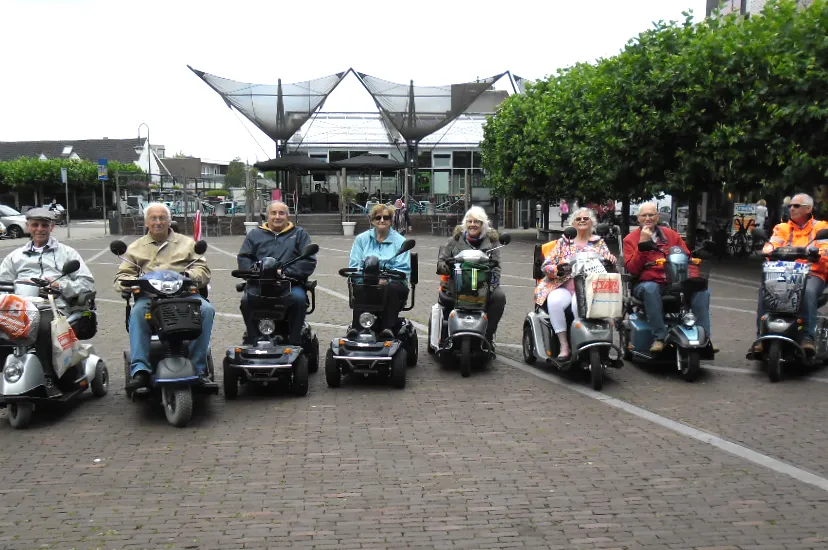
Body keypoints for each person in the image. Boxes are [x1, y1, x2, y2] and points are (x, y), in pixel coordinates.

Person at [113, 203, 214, 389]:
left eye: (162, 218)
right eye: (153, 218)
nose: (158, 222)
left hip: (184, 295)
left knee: (207, 309)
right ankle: (140, 370)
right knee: (137, 314)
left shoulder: (187, 244)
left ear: (169, 220)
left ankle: (199, 368)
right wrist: (130, 282)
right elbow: (122, 276)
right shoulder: (135, 248)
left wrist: (189, 276)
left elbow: (203, 270)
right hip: (151, 299)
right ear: (147, 222)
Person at [0, 208, 95, 395]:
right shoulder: (15, 256)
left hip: (52, 306)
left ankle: (48, 377)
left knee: (44, 327)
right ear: (28, 226)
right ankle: (7, 373)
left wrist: (61, 285)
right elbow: (2, 283)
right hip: (20, 308)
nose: (40, 229)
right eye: (35, 225)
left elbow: (87, 283)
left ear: (52, 227)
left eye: (45, 225)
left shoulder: (67, 253)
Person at [623, 202, 713, 353]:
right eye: (644, 215)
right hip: (645, 283)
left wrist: (693, 279)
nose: (648, 218)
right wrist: (643, 244)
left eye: (651, 215)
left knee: (702, 290)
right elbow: (633, 269)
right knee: (651, 289)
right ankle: (659, 338)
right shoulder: (630, 239)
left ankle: (705, 337)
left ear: (657, 217)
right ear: (638, 218)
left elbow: (688, 258)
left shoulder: (671, 235)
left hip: (674, 281)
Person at [534, 207, 616, 359]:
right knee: (554, 301)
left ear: (592, 222)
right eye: (578, 219)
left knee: (577, 304)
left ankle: (582, 343)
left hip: (589, 288)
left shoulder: (599, 242)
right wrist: (558, 269)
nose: (582, 221)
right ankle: (564, 345)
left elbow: (609, 259)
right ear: (573, 224)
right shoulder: (563, 243)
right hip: (563, 285)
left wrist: (611, 259)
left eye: (586, 218)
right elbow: (546, 266)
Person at [753, 193, 828, 354]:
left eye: (796, 206)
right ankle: (760, 336)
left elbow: (825, 249)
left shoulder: (820, 227)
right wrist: (768, 250)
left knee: (806, 292)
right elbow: (772, 244)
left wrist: (816, 253)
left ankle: (808, 338)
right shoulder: (782, 228)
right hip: (784, 273)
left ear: (808, 209)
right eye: (790, 206)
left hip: (812, 274)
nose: (791, 208)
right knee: (765, 290)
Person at [237, 201, 317, 345]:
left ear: (288, 216)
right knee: (246, 300)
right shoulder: (255, 235)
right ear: (267, 216)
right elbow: (244, 258)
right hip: (260, 282)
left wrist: (285, 273)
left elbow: (308, 261)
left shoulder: (299, 234)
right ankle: (254, 338)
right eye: (273, 213)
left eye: (281, 213)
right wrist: (255, 271)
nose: (277, 217)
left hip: (289, 283)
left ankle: (294, 341)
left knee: (298, 300)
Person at [436, 206, 506, 343]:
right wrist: (449, 267)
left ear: (483, 224)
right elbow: (440, 263)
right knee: (448, 298)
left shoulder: (492, 242)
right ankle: (446, 334)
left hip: (483, 284)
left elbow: (496, 267)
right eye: (470, 221)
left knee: (499, 297)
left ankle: (488, 334)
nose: (472, 225)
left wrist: (490, 286)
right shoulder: (454, 240)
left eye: (477, 222)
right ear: (465, 223)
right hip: (458, 282)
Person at [349, 203, 411, 336]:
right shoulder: (361, 240)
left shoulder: (400, 241)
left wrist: (386, 279)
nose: (382, 220)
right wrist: (366, 278)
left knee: (392, 288)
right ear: (372, 220)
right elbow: (354, 265)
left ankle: (387, 328)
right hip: (367, 281)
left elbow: (403, 269)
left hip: (392, 283)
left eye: (386, 217)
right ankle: (358, 328)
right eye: (378, 218)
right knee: (360, 287)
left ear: (391, 220)